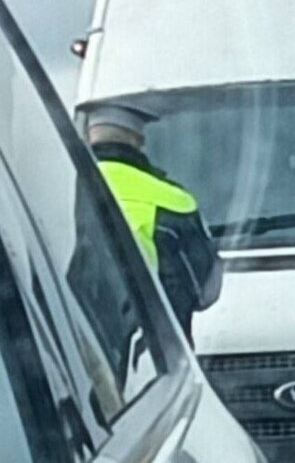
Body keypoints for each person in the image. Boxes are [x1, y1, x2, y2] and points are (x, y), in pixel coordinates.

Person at [86, 102, 223, 346]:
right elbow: (206, 292)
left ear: (88, 136)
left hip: (84, 361)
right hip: (155, 354)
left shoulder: (61, 192)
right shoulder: (173, 200)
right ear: (137, 139)